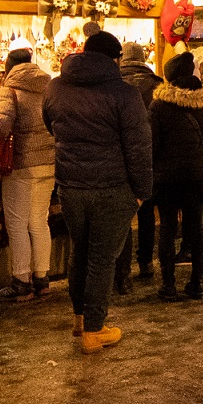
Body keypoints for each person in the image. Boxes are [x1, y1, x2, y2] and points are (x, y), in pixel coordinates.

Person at [46, 30, 154, 352]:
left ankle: (79, 319)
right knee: (103, 260)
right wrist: (141, 192)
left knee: (81, 250)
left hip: (71, 186)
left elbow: (51, 126)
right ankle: (95, 329)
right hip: (112, 188)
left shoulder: (55, 87)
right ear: (114, 59)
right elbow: (138, 147)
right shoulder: (125, 94)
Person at [0, 44, 56, 304]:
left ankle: (21, 282)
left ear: (9, 67)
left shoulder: (8, 90)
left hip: (21, 165)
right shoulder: (49, 88)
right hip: (49, 163)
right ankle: (42, 279)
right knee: (39, 221)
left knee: (18, 223)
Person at [148, 52, 203, 302]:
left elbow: (152, 144)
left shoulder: (159, 104)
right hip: (197, 176)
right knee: (196, 228)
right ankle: (197, 284)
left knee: (168, 229)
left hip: (167, 178)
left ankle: (169, 285)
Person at [115, 40, 161, 291]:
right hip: (150, 156)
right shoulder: (157, 85)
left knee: (122, 215)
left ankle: (122, 274)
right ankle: (146, 262)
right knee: (147, 212)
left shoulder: (113, 85)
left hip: (120, 157)